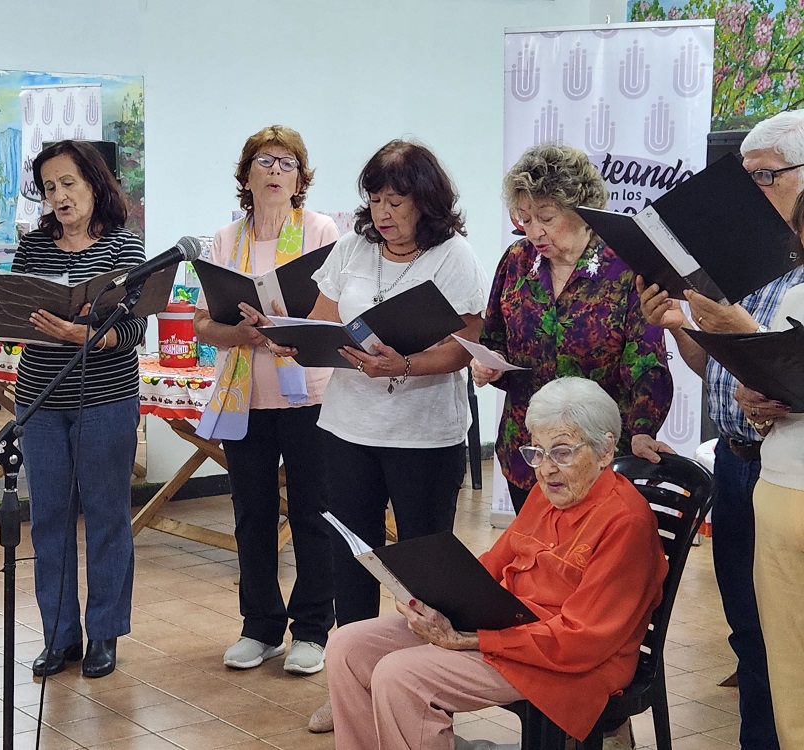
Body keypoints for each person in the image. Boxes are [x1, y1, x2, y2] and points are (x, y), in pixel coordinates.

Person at [325, 377, 668, 750]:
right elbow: (491, 566)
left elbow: (582, 640)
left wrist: (471, 640)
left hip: (567, 661)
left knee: (400, 676)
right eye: (537, 451)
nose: (546, 469)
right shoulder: (548, 492)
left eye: (563, 452)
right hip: (505, 626)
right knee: (347, 646)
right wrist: (423, 595)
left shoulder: (625, 522)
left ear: (604, 451)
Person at [307, 139, 489, 731]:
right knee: (351, 555)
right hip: (348, 426)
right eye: (376, 199)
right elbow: (320, 318)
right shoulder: (355, 246)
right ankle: (350, 691)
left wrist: (404, 365)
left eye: (397, 200)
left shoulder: (455, 255)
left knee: (424, 563)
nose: (384, 212)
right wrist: (287, 334)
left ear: (426, 202)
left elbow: (465, 345)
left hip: (425, 434)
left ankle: (425, 689)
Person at [638, 110, 804, 750]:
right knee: (749, 626)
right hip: (741, 462)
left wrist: (745, 336)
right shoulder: (737, 256)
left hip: (789, 465)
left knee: (789, 627)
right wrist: (679, 323)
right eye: (745, 178)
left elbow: (789, 368)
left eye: (764, 176)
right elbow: (712, 364)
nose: (751, 192)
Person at [194, 125, 340, 674]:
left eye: (287, 163)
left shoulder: (321, 230)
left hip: (310, 396)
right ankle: (259, 627)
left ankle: (311, 630)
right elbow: (204, 322)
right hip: (244, 395)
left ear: (300, 178)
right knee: (251, 515)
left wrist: (280, 326)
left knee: (312, 514)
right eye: (265, 161)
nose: (276, 171)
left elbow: (333, 311)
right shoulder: (224, 240)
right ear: (246, 175)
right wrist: (244, 333)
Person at [473, 143, 673, 514]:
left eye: (546, 217)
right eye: (525, 218)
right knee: (536, 561)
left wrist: (644, 428)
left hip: (593, 457)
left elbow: (647, 362)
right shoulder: (517, 262)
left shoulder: (626, 268)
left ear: (583, 211)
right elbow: (494, 339)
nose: (534, 231)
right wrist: (488, 366)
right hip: (528, 454)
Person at [14, 140, 146, 679]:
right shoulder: (33, 248)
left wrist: (84, 334)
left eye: (69, 183)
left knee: (107, 515)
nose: (59, 196)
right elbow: (15, 313)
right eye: (49, 188)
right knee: (47, 518)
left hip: (106, 400)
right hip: (41, 399)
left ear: (94, 183)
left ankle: (105, 635)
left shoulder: (124, 248)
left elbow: (134, 327)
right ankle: (59, 635)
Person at [728, 191, 804, 748]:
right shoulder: (793, 297)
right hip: (778, 491)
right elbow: (768, 409)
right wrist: (755, 404)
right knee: (786, 662)